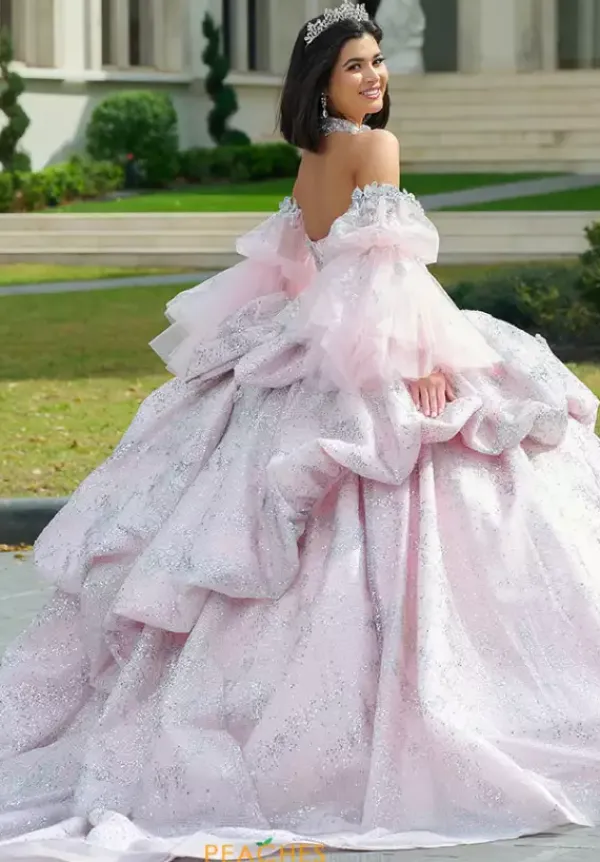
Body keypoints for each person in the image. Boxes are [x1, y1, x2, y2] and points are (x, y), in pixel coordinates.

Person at [2, 3, 600, 860]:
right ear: (322, 80)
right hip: (370, 344)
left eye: (377, 61)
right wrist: (424, 358)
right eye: (355, 65)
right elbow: (388, 271)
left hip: (317, 346)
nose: (374, 77)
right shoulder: (374, 147)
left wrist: (305, 344)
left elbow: (303, 271)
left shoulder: (312, 156)